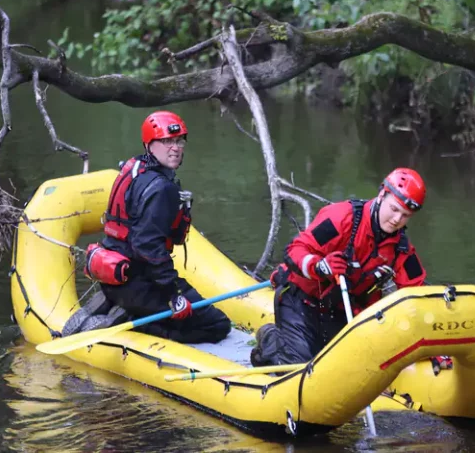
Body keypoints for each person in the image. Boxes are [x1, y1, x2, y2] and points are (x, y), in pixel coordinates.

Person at [67, 110, 231, 344]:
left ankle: (121, 305)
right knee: (218, 325)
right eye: (166, 141)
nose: (174, 148)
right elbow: (147, 246)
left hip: (115, 280)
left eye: (179, 140)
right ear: (149, 144)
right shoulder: (162, 189)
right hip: (140, 284)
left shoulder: (134, 167)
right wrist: (173, 295)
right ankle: (141, 327)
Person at [250, 168, 429, 367]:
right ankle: (271, 340)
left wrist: (430, 344)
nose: (397, 220)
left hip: (340, 310)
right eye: (394, 209)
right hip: (300, 301)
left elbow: (417, 296)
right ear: (381, 195)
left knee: (342, 368)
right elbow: (295, 250)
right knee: (301, 371)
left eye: (405, 215)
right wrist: (320, 266)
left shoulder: (401, 248)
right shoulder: (343, 218)